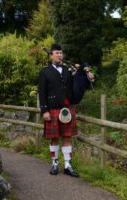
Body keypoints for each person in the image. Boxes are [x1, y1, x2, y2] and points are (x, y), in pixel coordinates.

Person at [38, 44, 94, 177]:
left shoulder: (67, 70)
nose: (59, 55)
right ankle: (55, 163)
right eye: (56, 53)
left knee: (67, 138)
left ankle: (68, 166)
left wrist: (88, 78)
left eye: (61, 53)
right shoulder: (45, 72)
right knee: (54, 138)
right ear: (51, 55)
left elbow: (77, 84)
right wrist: (44, 110)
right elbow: (42, 92)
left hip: (67, 108)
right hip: (53, 109)